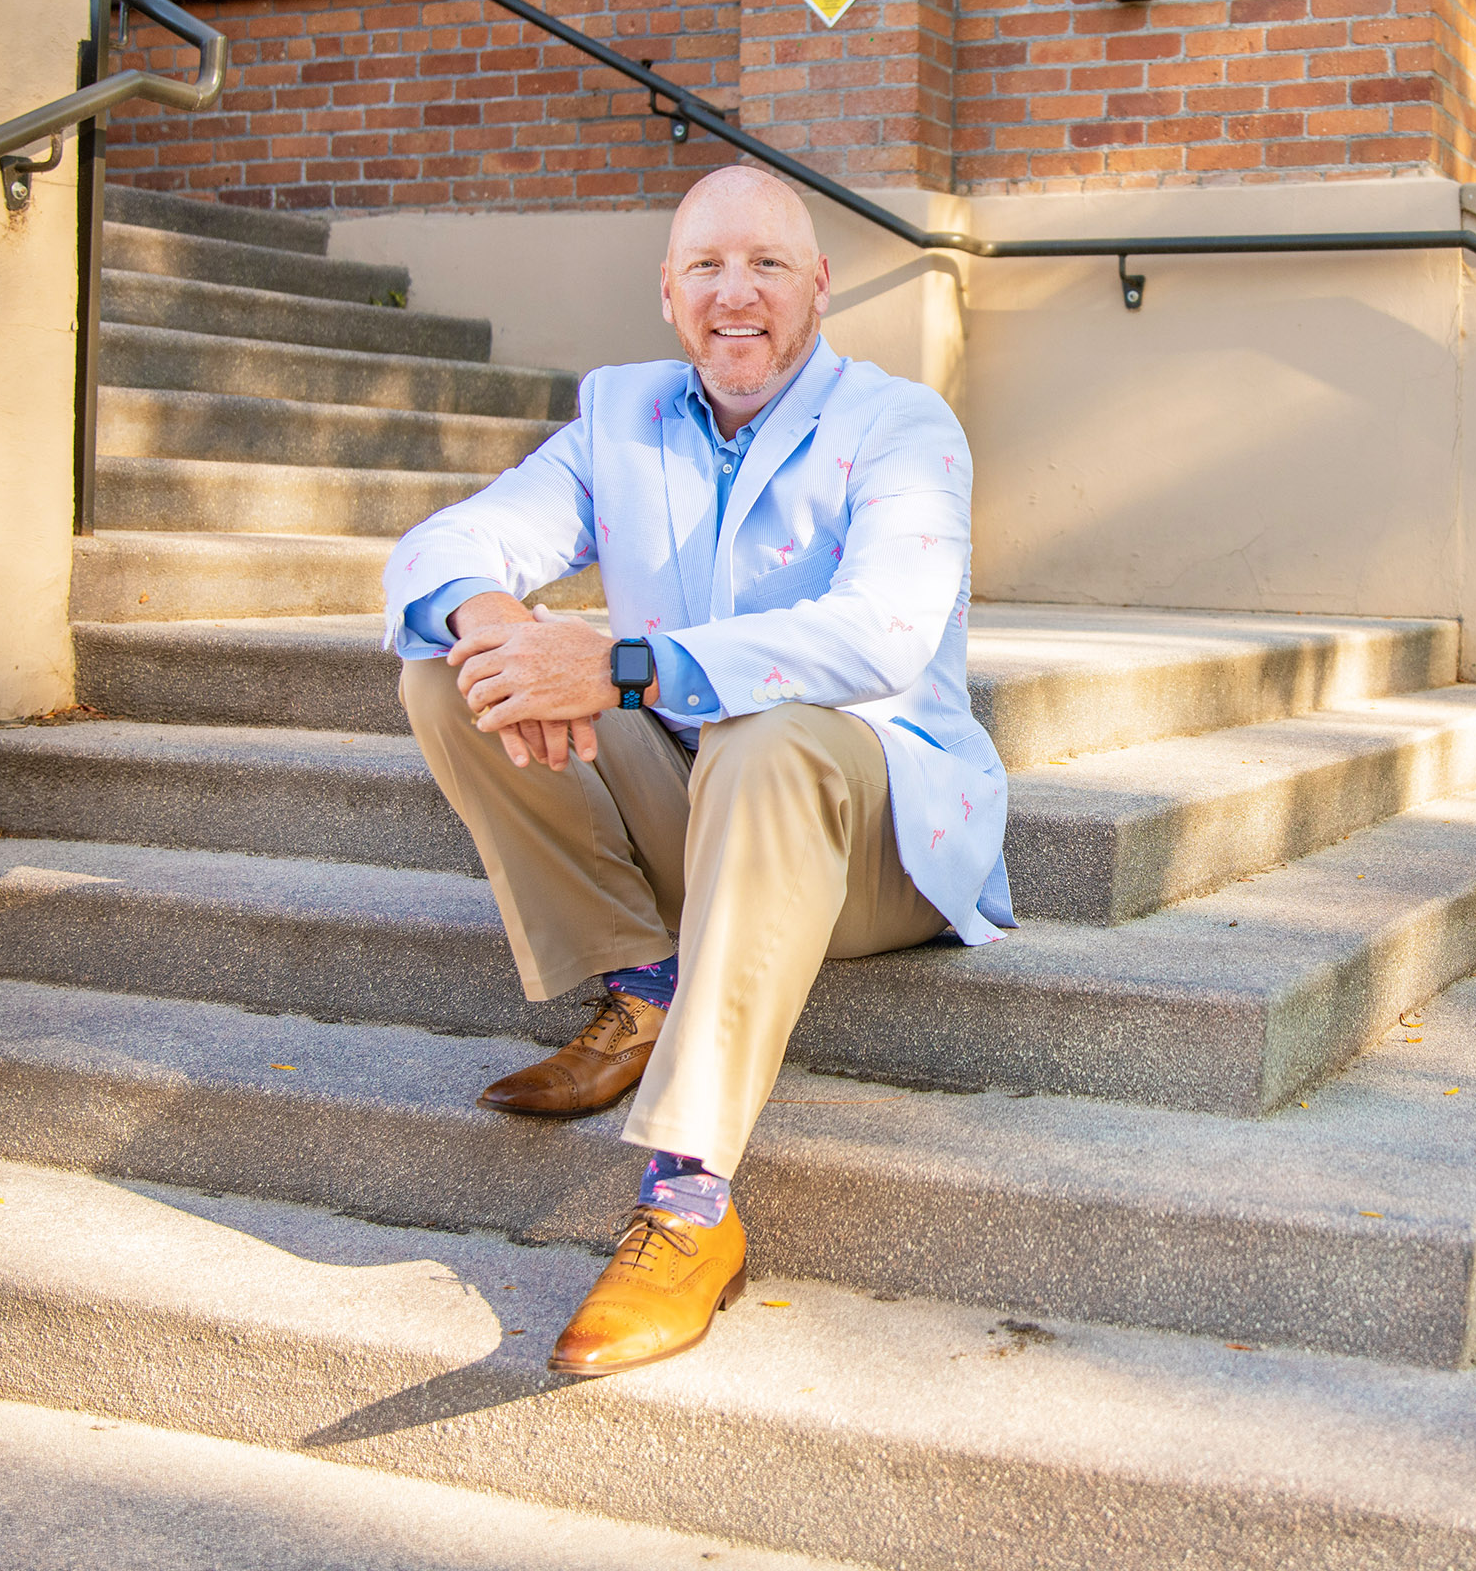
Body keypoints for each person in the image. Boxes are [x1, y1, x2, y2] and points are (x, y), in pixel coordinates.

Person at [382, 163, 1010, 1377]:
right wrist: (487, 619)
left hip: (868, 829)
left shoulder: (899, 425)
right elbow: (451, 544)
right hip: (703, 808)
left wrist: (621, 662)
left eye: (768, 266)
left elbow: (878, 630)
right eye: (708, 269)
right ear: (668, 293)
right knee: (456, 669)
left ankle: (689, 1199)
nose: (738, 295)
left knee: (769, 732)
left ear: (820, 286)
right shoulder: (622, 417)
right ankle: (648, 980)